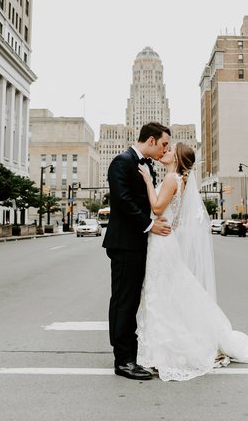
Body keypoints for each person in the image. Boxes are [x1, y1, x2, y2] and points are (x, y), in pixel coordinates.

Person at [136, 142, 248, 382]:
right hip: (165, 239)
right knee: (170, 292)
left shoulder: (172, 179)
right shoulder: (179, 180)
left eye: (170, 150)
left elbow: (157, 206)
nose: (165, 152)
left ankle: (168, 348)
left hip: (162, 243)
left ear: (178, 159)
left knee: (163, 292)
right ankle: (166, 345)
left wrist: (146, 183)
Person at [102, 121, 172, 380]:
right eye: (164, 143)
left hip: (138, 243)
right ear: (151, 140)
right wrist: (150, 225)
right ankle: (123, 361)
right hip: (124, 244)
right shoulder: (122, 162)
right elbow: (122, 201)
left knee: (132, 301)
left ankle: (131, 354)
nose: (166, 149)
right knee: (123, 301)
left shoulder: (146, 165)